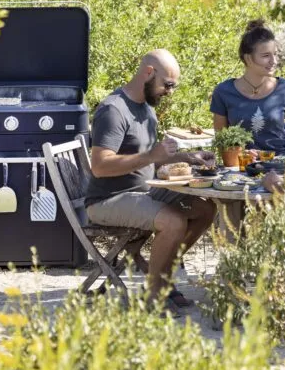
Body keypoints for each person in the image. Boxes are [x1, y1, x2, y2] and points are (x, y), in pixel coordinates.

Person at [85, 49, 217, 306]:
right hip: (108, 199)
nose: (170, 92)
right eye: (167, 85)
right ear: (148, 73)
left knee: (205, 209)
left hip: (144, 191)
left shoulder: (146, 108)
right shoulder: (113, 110)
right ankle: (155, 294)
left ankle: (163, 279)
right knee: (174, 221)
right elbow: (100, 167)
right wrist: (150, 156)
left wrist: (190, 157)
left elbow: (152, 157)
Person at [210, 19, 285, 155]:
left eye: (275, 54)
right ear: (248, 58)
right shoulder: (224, 92)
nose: (274, 61)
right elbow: (222, 142)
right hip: (244, 167)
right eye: (266, 56)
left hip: (284, 166)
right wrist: (242, 155)